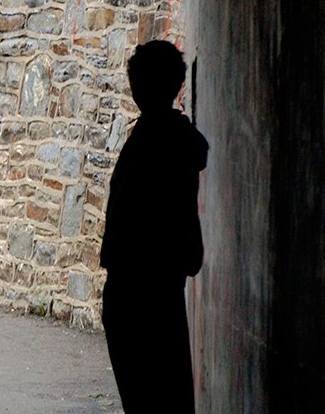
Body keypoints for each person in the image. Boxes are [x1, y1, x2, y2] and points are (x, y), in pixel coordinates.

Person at [99, 40, 209, 413]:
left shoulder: (150, 140)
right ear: (177, 84)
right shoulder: (170, 138)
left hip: (137, 295)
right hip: (157, 294)